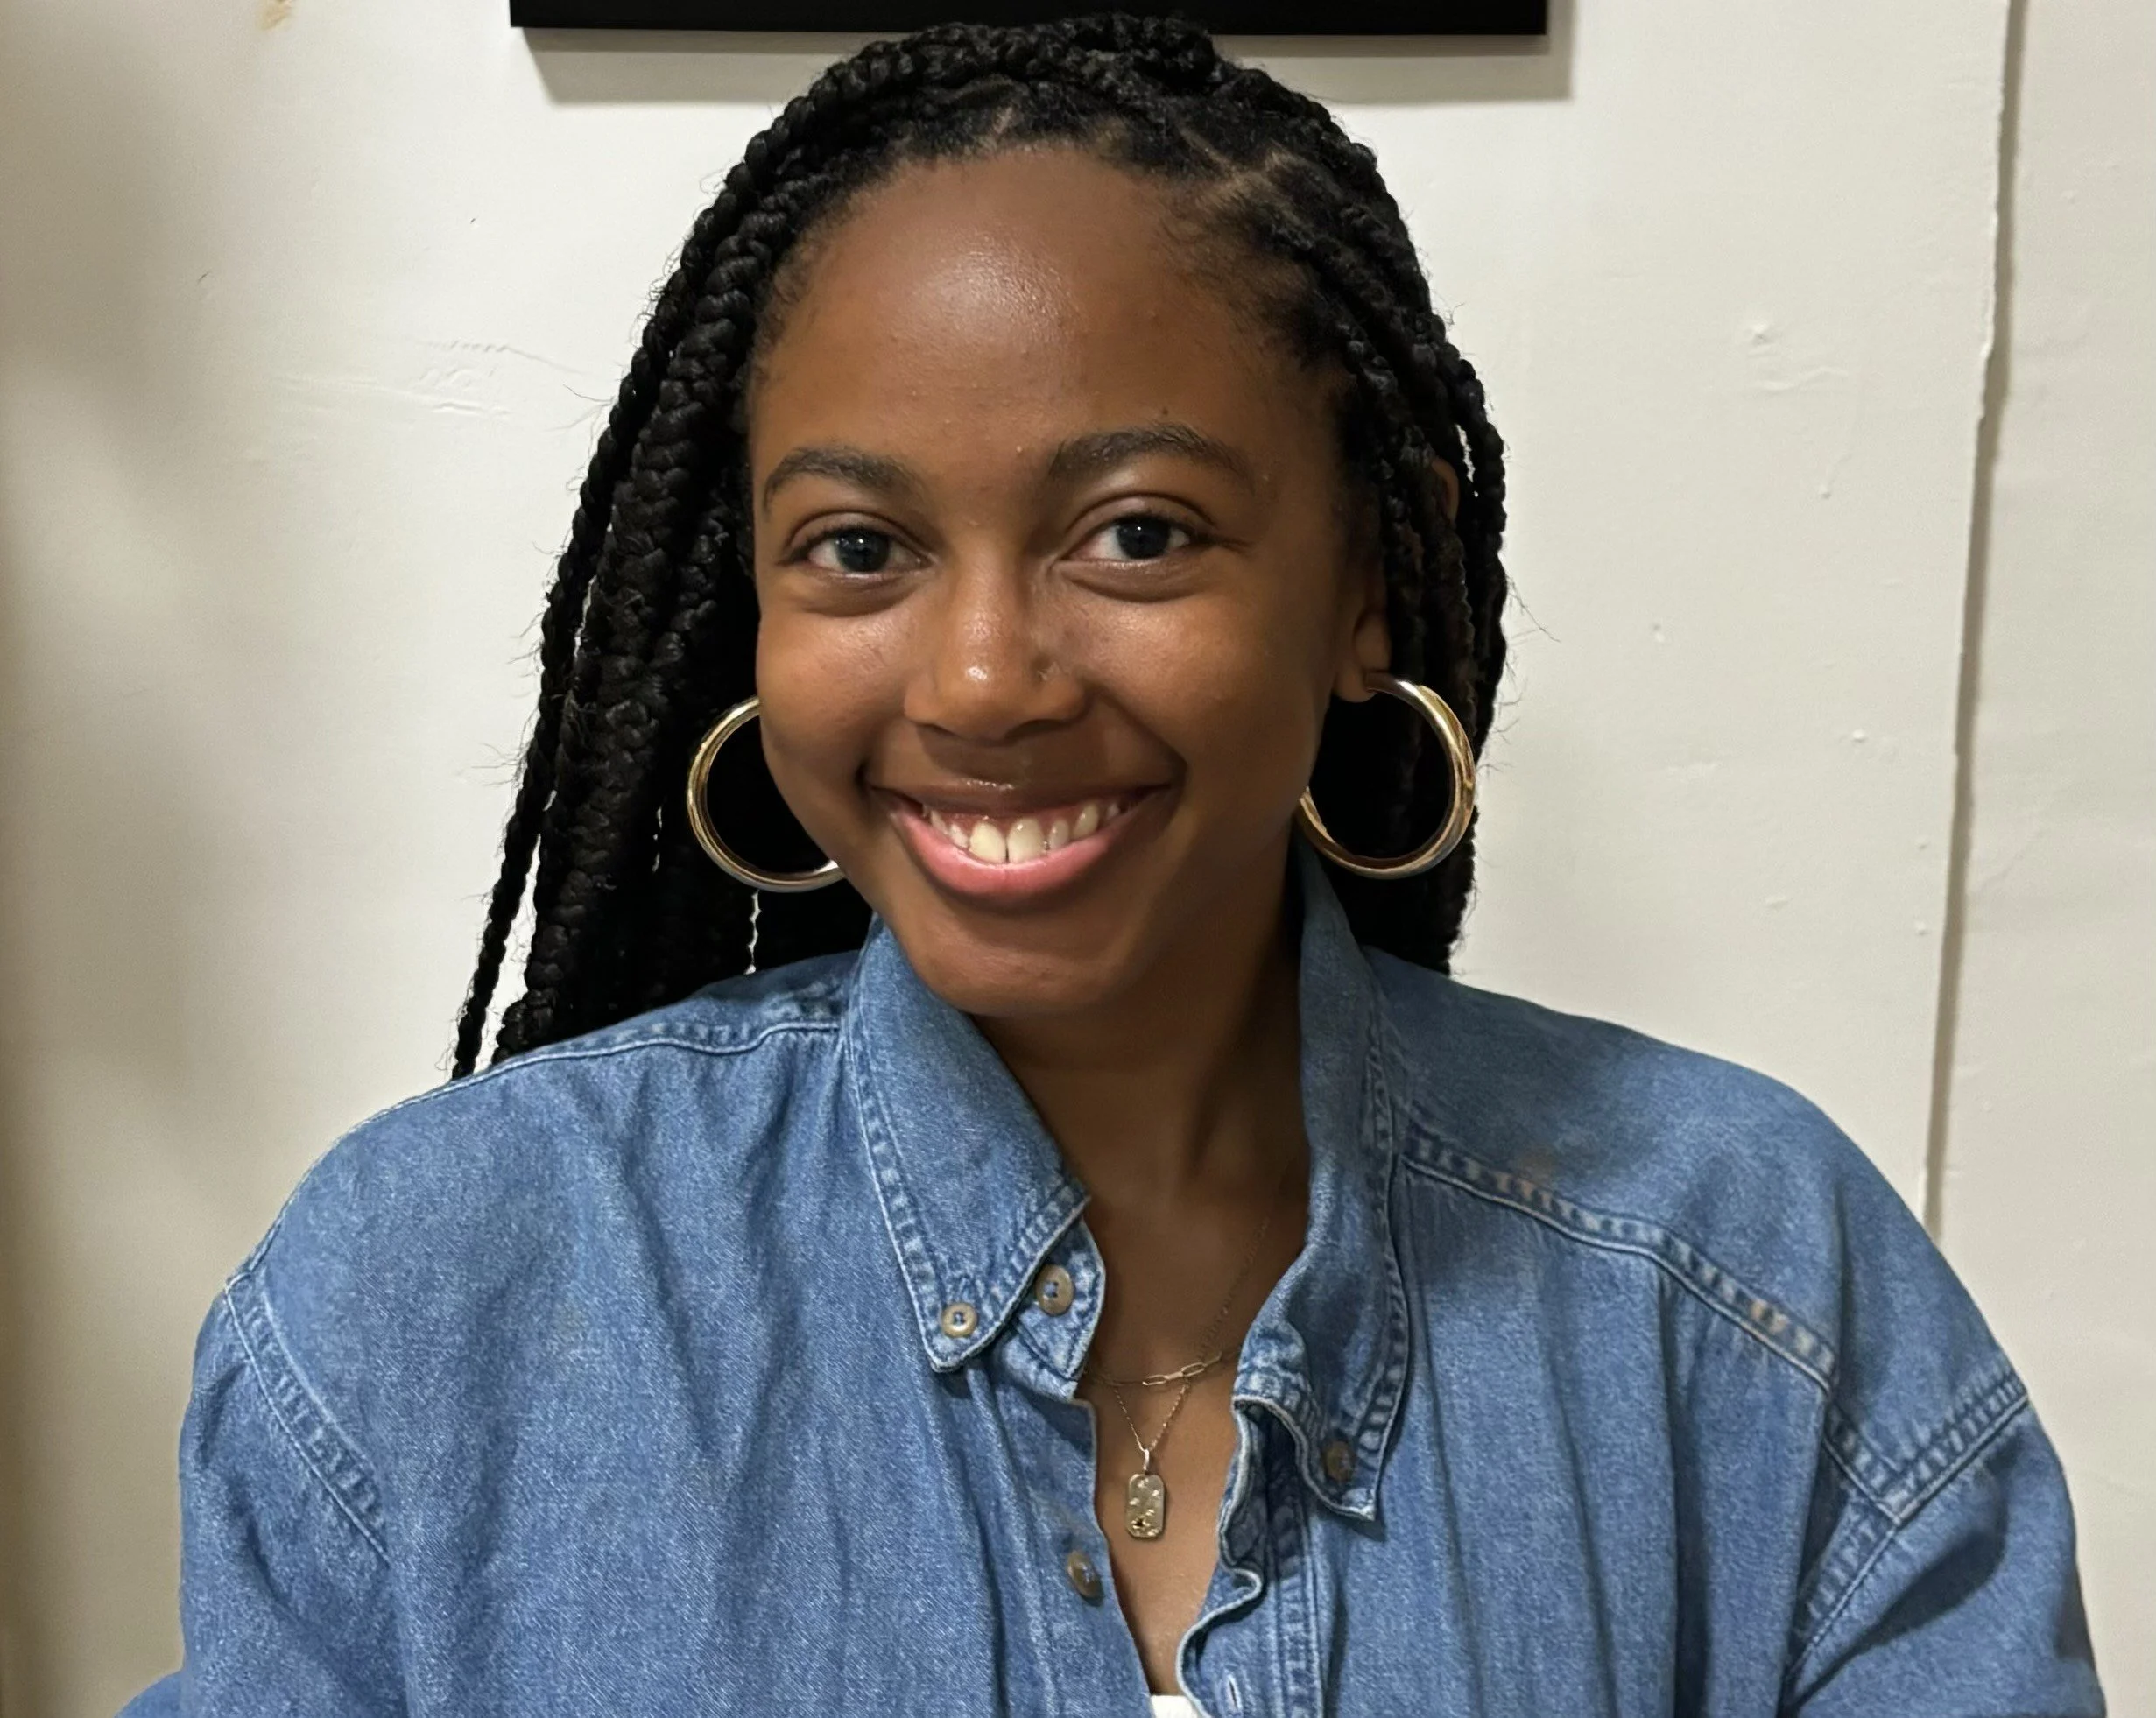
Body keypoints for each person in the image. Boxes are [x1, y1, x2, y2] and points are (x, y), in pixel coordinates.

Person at [122, 16, 2102, 1716]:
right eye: (859, 551)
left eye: (1137, 534)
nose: (984, 678)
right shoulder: (427, 1295)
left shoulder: (1748, 1291)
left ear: (1364, 582)